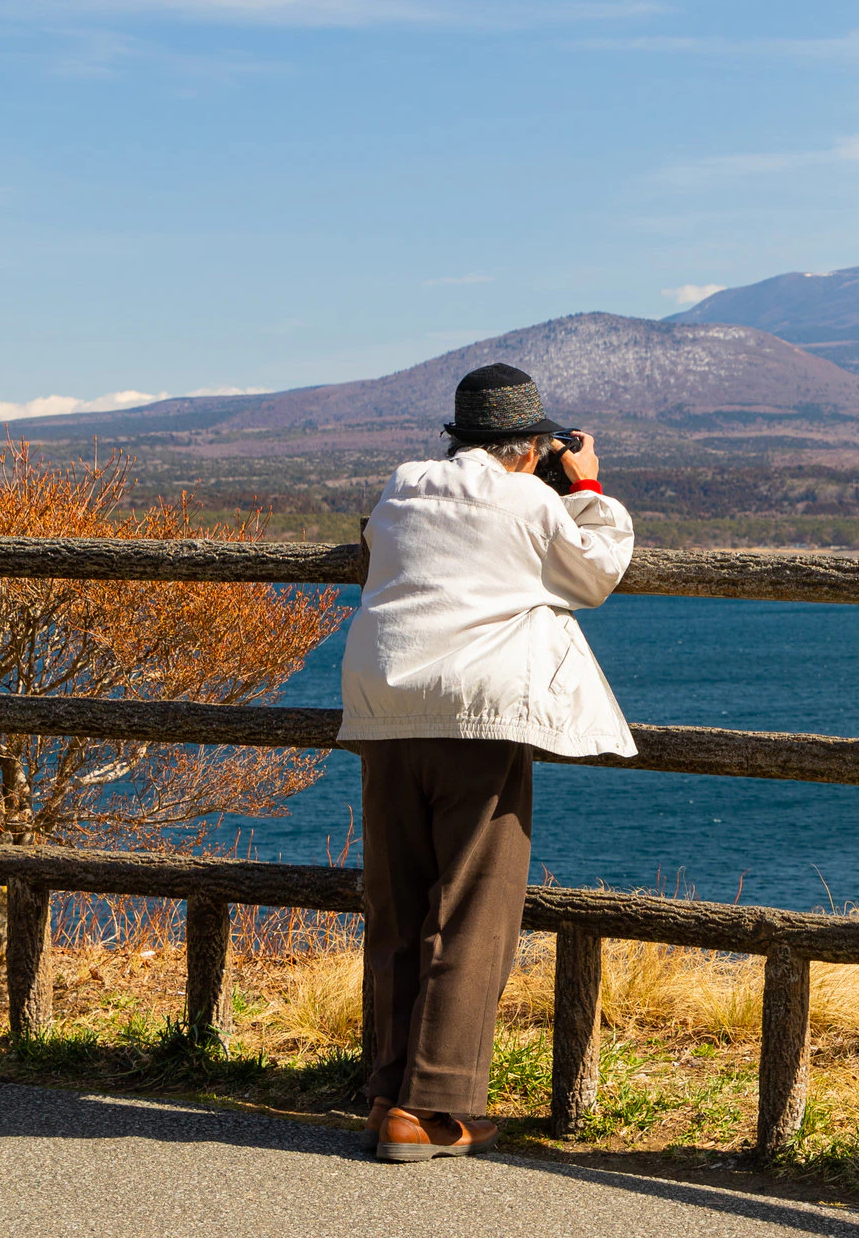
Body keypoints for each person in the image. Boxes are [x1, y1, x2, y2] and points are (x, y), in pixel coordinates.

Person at [337, 362, 636, 1162]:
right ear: (531, 446)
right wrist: (586, 484)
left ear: (457, 437)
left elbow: (375, 548)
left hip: (386, 707)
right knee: (473, 913)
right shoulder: (533, 498)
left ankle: (385, 1096)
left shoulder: (402, 486)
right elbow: (595, 572)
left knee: (398, 906)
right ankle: (432, 1109)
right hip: (478, 715)